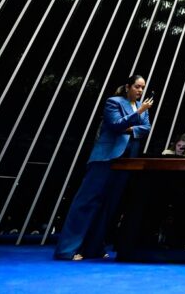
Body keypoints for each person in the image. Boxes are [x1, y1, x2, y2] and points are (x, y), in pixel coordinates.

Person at [54, 74, 153, 260]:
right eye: (137, 87)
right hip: (106, 158)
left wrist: (130, 127)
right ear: (127, 86)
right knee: (87, 202)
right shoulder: (114, 102)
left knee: (109, 206)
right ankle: (67, 249)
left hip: (126, 161)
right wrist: (137, 116)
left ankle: (93, 248)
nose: (140, 91)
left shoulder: (143, 108)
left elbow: (146, 128)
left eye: (142, 87)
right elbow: (115, 125)